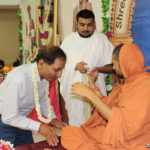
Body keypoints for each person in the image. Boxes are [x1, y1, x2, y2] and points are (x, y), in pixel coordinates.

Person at [61, 43, 150, 150]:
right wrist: (93, 87)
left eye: (115, 63)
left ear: (124, 63)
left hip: (135, 140)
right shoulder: (131, 83)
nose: (114, 67)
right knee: (70, 133)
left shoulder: (145, 86)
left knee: (81, 140)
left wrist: (90, 95)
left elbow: (125, 126)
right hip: (119, 133)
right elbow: (107, 105)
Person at [0, 46, 66, 147]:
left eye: (61, 70)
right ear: (41, 63)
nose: (60, 74)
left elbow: (43, 100)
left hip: (23, 121)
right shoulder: (19, 78)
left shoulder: (44, 77)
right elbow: (8, 117)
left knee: (28, 148)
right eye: (57, 70)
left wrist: (53, 119)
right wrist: (39, 127)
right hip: (5, 123)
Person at [59, 9, 114, 126]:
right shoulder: (69, 41)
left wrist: (99, 69)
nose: (86, 28)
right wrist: (75, 66)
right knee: (77, 124)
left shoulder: (101, 40)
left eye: (89, 25)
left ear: (94, 24)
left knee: (97, 124)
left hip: (96, 89)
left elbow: (113, 67)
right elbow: (58, 66)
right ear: (76, 24)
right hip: (75, 93)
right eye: (82, 25)